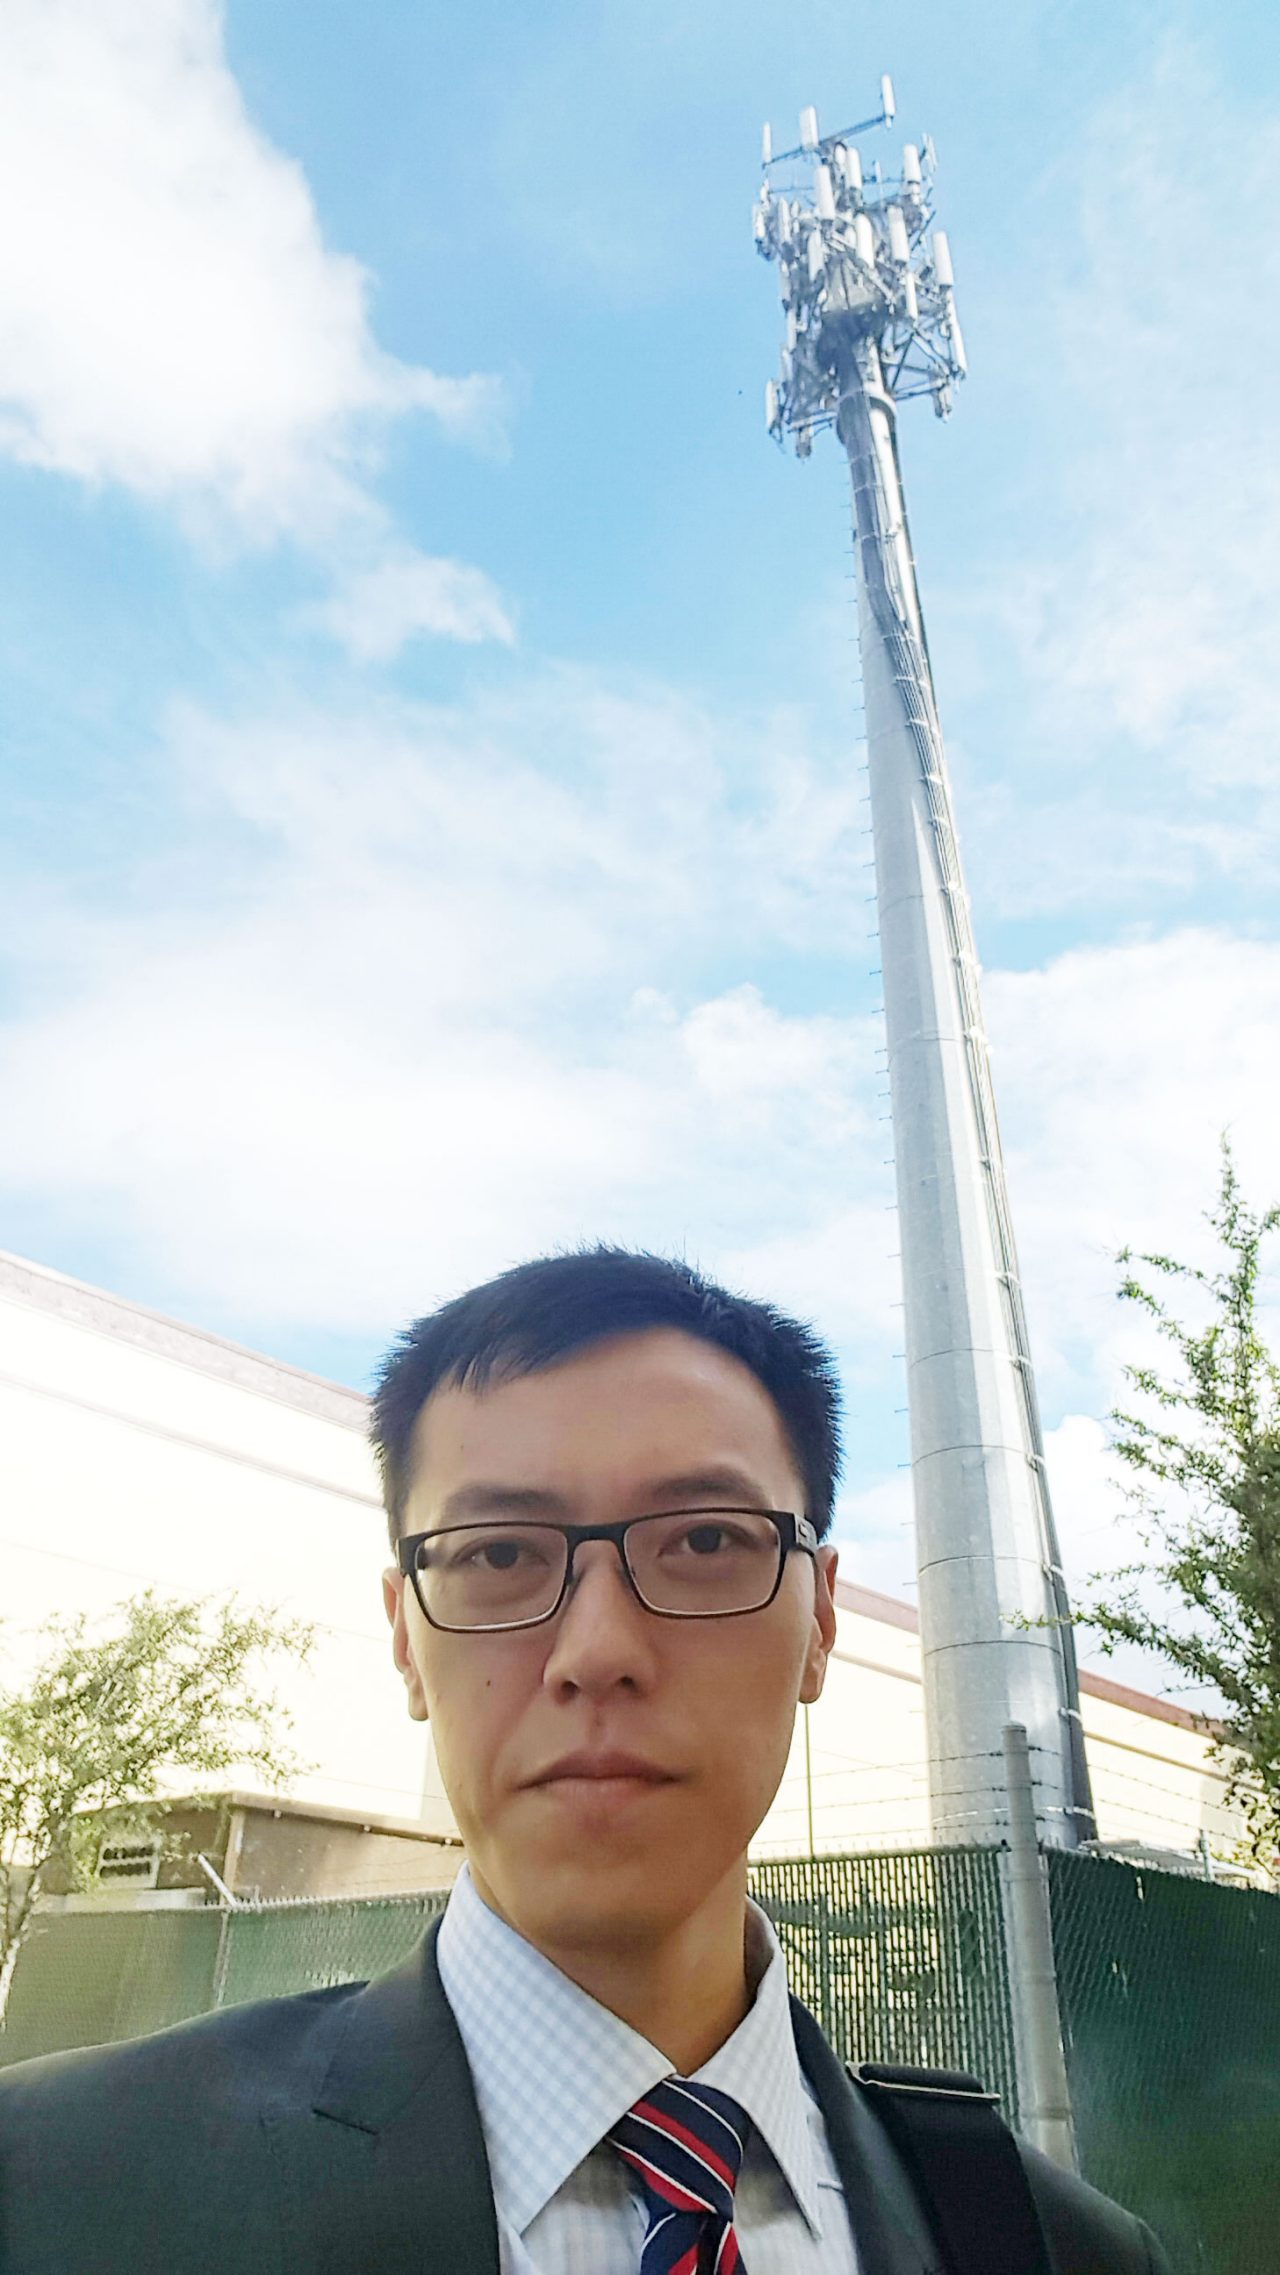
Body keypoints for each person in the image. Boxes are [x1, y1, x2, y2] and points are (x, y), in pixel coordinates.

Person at [0, 1247, 1169, 2274]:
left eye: (703, 1539)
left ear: (818, 1620)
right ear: (406, 1639)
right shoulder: (54, 2184)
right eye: (498, 1553)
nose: (597, 1651)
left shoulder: (1056, 2246)